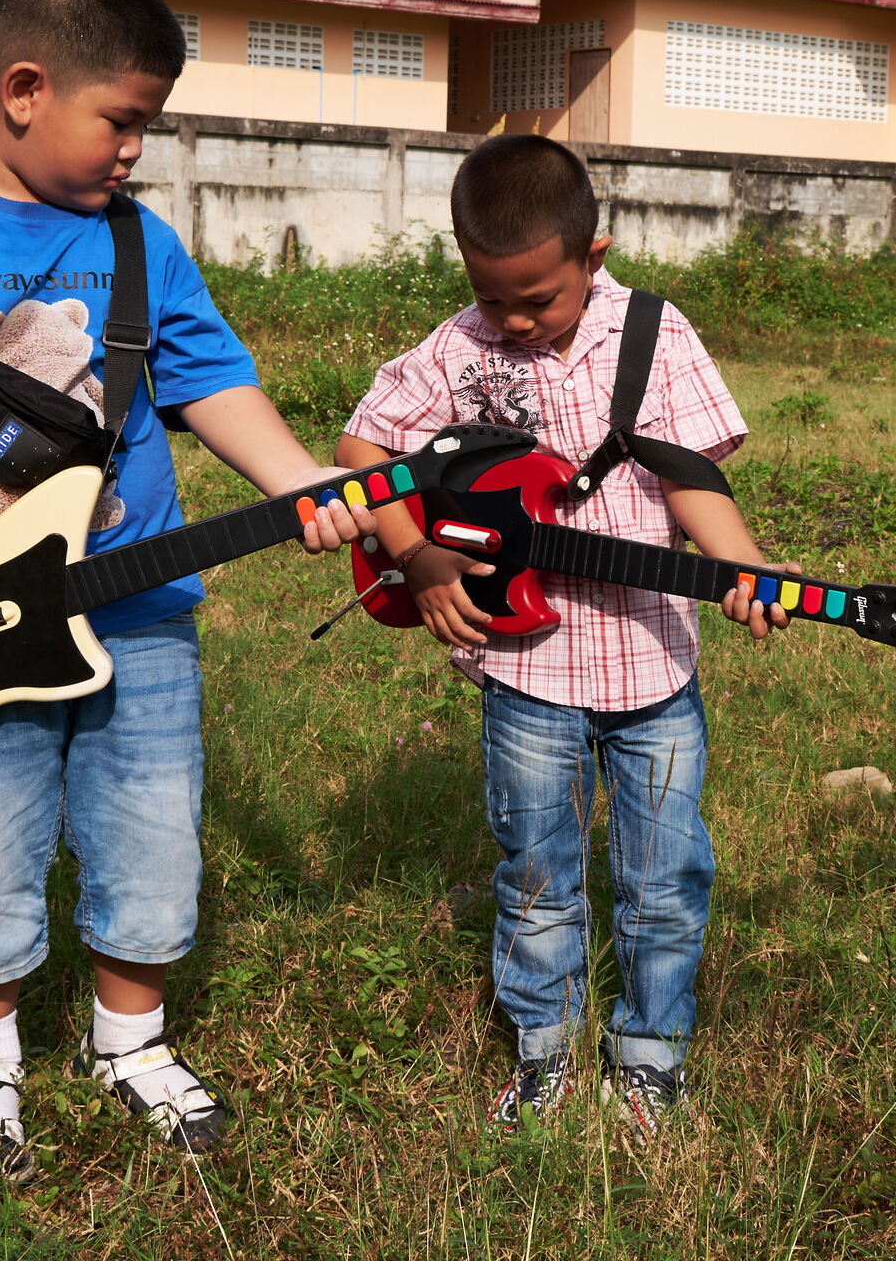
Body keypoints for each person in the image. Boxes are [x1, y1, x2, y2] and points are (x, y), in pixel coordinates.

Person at [0, 0, 371, 1179]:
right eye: (122, 121)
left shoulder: (141, 245)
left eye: (144, 128)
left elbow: (212, 380)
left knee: (153, 821)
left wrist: (303, 484)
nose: (132, 151)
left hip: (139, 602)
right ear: (25, 90)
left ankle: (130, 1041)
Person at [335, 135, 795, 1141]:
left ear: (594, 256)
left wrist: (745, 563)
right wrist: (416, 556)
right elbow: (364, 446)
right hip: (527, 667)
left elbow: (692, 477)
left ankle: (649, 1059)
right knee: (538, 871)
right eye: (490, 296)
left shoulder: (655, 334)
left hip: (655, 665)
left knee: (665, 873)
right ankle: (545, 1052)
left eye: (536, 298)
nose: (513, 319)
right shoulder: (461, 347)